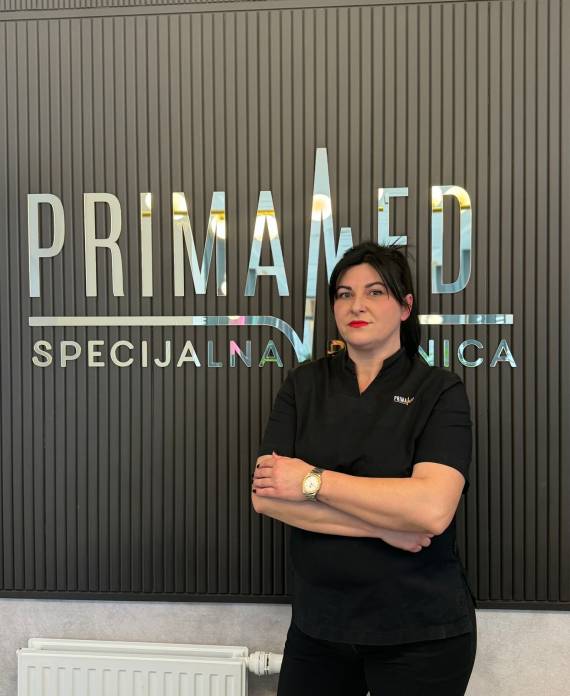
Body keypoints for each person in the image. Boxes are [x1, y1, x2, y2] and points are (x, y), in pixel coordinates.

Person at [251, 241, 477, 696]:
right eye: (344, 294)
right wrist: (385, 526)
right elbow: (267, 497)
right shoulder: (304, 384)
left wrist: (311, 481)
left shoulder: (439, 390)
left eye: (375, 292)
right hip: (318, 628)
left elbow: (431, 511)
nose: (357, 305)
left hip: (420, 631)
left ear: (405, 306)